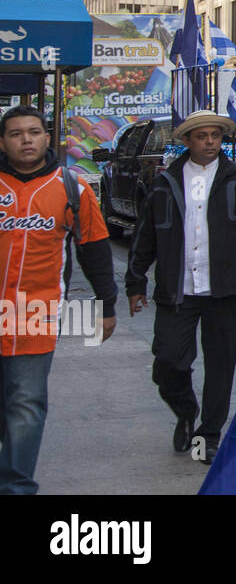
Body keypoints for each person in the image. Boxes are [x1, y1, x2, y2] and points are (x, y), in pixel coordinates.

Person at [126, 110, 236, 463]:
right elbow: (146, 235)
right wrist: (135, 281)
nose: (210, 142)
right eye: (202, 136)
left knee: (220, 368)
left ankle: (208, 435)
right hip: (178, 290)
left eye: (215, 135)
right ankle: (186, 411)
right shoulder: (165, 182)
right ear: (187, 141)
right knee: (168, 362)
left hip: (224, 291)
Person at [0, 106, 117, 494]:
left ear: (48, 138)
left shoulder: (72, 188)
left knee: (26, 404)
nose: (26, 139)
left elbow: (95, 250)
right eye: (16, 134)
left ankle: (15, 488)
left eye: (34, 132)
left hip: (34, 314)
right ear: (3, 142)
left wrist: (106, 306)